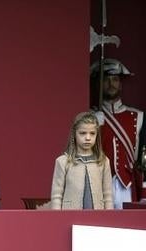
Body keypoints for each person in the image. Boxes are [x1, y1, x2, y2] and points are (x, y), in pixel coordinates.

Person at [90, 58, 145, 208]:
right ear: (98, 84)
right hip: (98, 182)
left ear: (120, 84)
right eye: (106, 80)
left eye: (115, 79)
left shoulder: (137, 116)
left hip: (126, 184)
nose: (111, 84)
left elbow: (142, 158)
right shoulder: (89, 116)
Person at [50, 112, 113, 209]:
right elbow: (56, 196)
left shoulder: (103, 161)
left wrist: (109, 218)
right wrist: (57, 219)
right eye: (83, 133)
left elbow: (108, 196)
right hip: (69, 217)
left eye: (92, 133)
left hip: (97, 218)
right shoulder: (63, 162)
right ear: (74, 134)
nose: (88, 138)